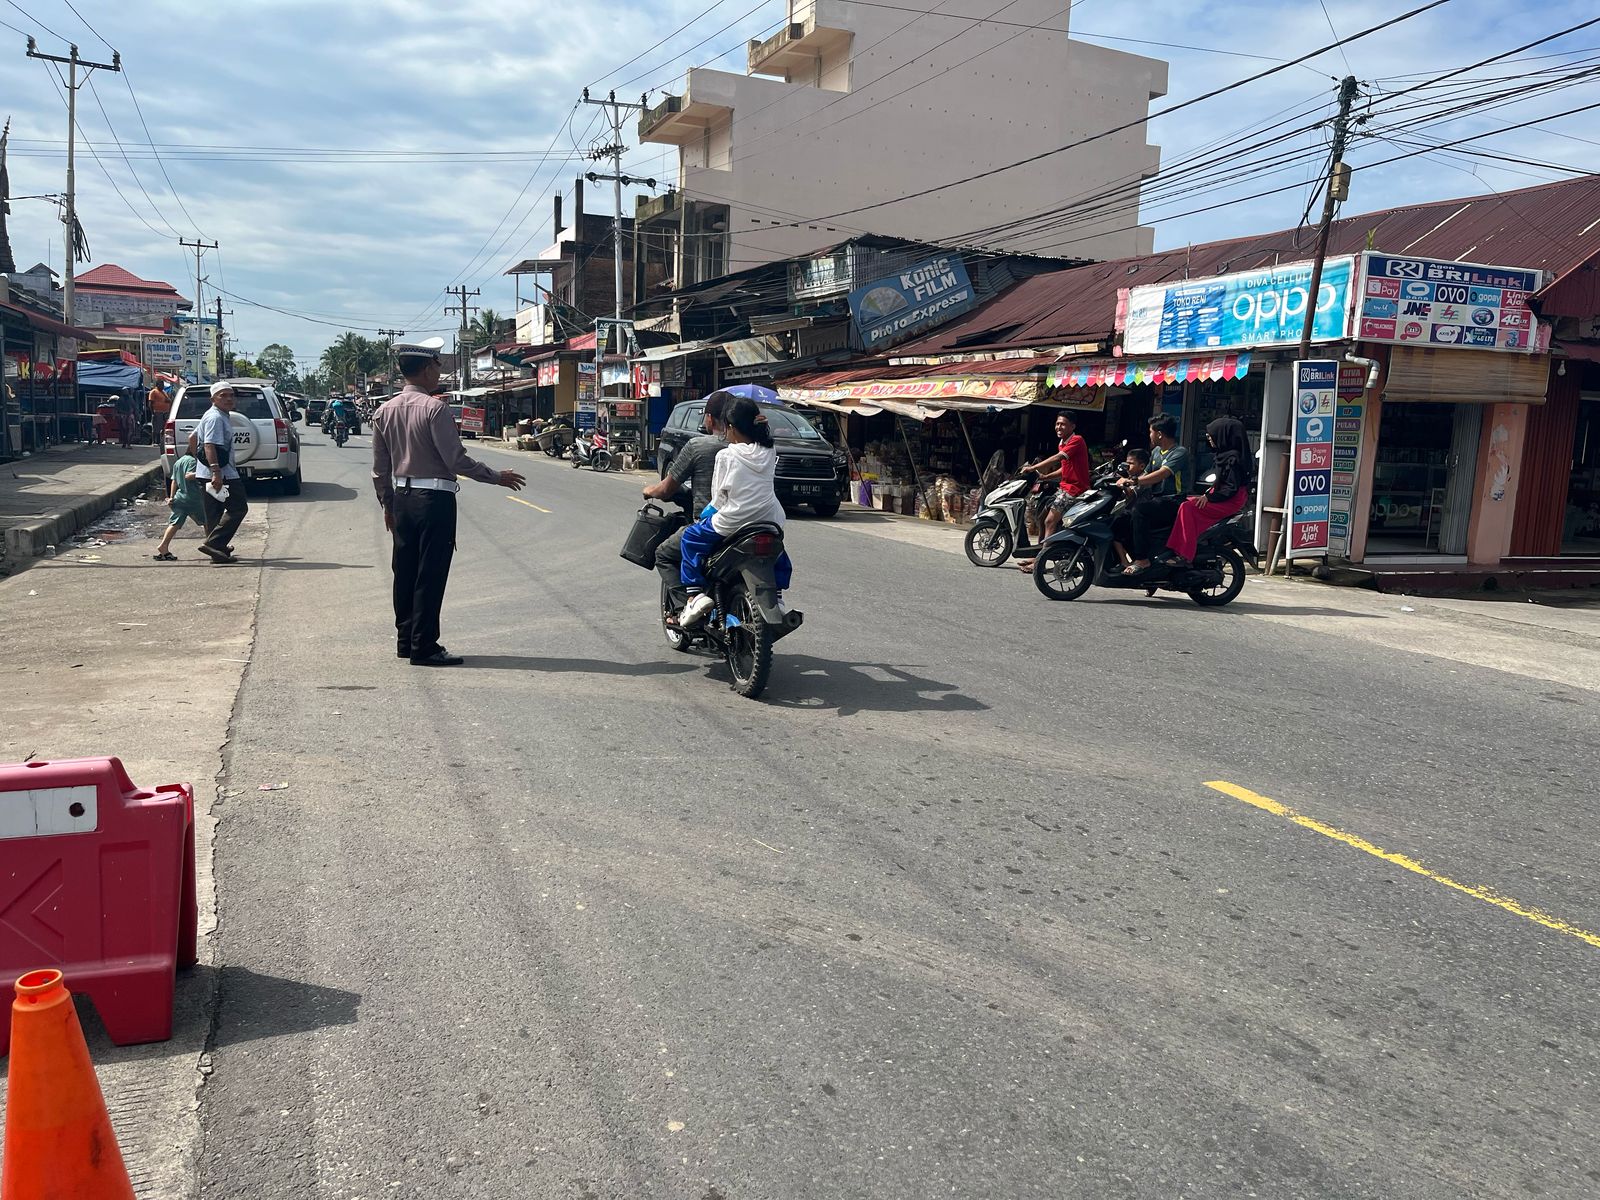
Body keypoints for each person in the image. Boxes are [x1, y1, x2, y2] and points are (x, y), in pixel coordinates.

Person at [371, 337, 525, 667]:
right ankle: (424, 646)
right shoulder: (435, 408)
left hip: (402, 498)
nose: (439, 371)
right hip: (433, 500)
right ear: (427, 369)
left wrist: (387, 504)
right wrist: (497, 476)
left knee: (405, 570)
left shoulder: (384, 411)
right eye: (438, 365)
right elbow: (456, 460)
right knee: (430, 572)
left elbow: (379, 469)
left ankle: (406, 640)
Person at [678, 397, 790, 628]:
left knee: (690, 538)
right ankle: (777, 598)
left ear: (731, 427)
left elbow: (719, 498)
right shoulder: (769, 451)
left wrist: (705, 515)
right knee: (778, 553)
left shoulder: (726, 455)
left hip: (733, 521)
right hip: (770, 519)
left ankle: (695, 595)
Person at [643, 392, 729, 611]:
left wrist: (650, 490)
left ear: (709, 418)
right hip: (752, 524)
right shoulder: (753, 448)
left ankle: (687, 607)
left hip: (712, 524)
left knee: (663, 554)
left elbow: (666, 489)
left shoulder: (698, 446)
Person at [1140, 417, 1251, 574]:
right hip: (1221, 495)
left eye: (1212, 434)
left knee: (1187, 507)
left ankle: (1185, 554)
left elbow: (1230, 489)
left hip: (1230, 500)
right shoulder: (1224, 455)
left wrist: (1209, 498)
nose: (1208, 437)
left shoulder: (1233, 459)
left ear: (1223, 435)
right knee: (1186, 502)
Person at [1016, 412, 1090, 572]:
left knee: (1050, 521)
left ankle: (1040, 562)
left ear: (1072, 426)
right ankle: (1038, 554)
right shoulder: (1062, 442)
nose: (1059, 427)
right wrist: (1046, 476)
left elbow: (1057, 459)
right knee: (1042, 517)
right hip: (1064, 487)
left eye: (1063, 424)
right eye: (1057, 424)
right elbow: (1065, 468)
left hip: (1075, 489)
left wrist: (1034, 467)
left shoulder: (1077, 440)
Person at [1121, 414, 1192, 573]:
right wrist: (1127, 485)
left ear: (1159, 434)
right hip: (1158, 501)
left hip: (1174, 502)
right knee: (1122, 518)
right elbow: (1145, 475)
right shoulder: (1156, 452)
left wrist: (1135, 482)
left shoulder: (1179, 452)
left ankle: (1142, 560)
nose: (1149, 435)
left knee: (1140, 510)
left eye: (1151, 432)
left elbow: (1161, 474)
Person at [194, 383, 249, 564]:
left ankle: (217, 552)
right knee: (238, 507)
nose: (228, 399)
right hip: (221, 473)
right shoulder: (215, 417)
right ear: (213, 399)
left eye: (231, 395)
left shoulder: (218, 416)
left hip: (208, 472)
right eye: (223, 395)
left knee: (214, 513)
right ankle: (214, 543)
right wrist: (216, 472)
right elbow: (209, 445)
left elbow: (192, 438)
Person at [153, 433, 204, 561]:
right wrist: (204, 473)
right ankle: (214, 545)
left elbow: (174, 481)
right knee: (208, 521)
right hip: (194, 498)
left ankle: (163, 546)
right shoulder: (193, 461)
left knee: (174, 523)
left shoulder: (178, 462)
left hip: (179, 497)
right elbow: (189, 475)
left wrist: (171, 497)